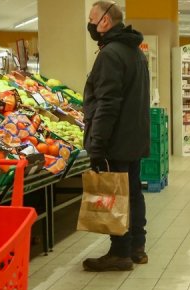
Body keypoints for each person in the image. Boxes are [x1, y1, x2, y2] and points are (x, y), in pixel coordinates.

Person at [82, 1, 151, 272]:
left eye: (92, 19)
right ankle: (137, 247)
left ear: (105, 23)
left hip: (116, 139)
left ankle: (120, 252)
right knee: (133, 193)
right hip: (133, 137)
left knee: (116, 194)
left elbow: (107, 103)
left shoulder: (111, 54)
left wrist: (97, 144)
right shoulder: (135, 52)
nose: (89, 24)